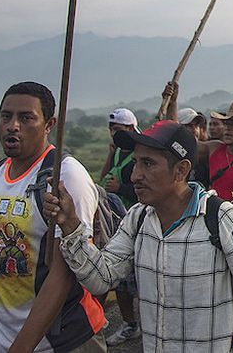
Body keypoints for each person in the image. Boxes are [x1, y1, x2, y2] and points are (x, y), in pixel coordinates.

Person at [43, 120, 233, 353]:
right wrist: (72, 226)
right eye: (136, 162)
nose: (136, 175)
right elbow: (101, 278)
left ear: (181, 170)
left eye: (148, 163)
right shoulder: (138, 218)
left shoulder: (223, 222)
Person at [0, 81, 105, 353]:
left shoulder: (65, 176)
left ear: (49, 125)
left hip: (57, 340)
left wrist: (21, 348)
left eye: (26, 118)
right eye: (6, 116)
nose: (13, 126)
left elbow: (63, 274)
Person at [98, 113, 142, 346]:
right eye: (113, 129)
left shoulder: (140, 155)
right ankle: (129, 324)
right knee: (122, 279)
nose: (116, 133)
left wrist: (121, 188)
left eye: (121, 129)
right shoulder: (116, 152)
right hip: (118, 222)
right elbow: (103, 178)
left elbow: (151, 187)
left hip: (139, 218)